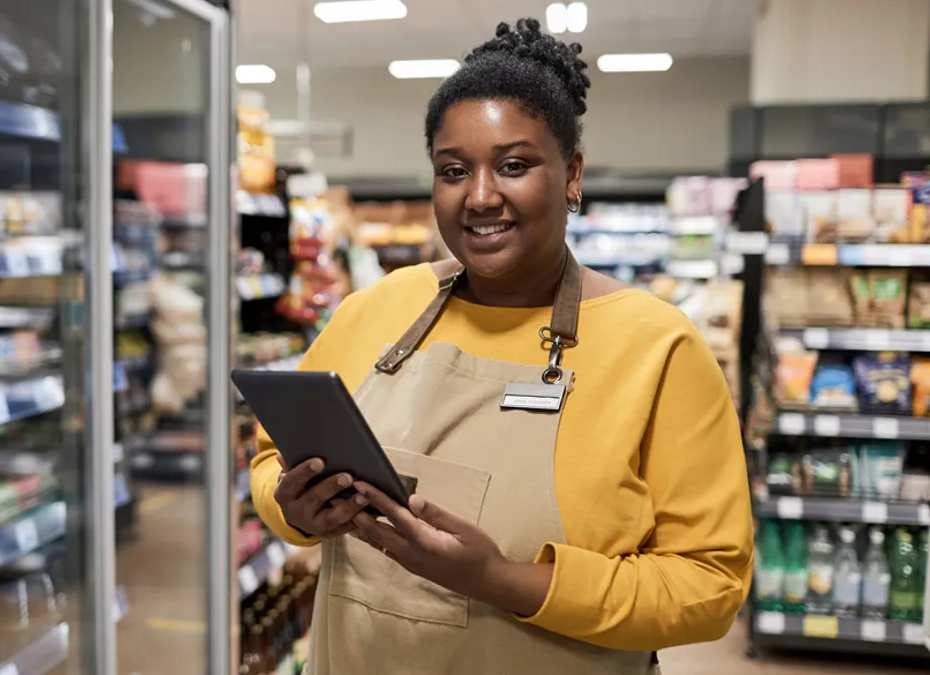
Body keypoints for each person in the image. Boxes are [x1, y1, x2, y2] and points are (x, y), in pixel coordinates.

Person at [249, 17, 753, 674]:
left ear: (571, 174)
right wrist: (295, 509)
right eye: (453, 169)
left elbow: (709, 585)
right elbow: (269, 459)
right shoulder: (375, 310)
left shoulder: (657, 347)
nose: (480, 196)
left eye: (513, 165)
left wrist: (506, 579)